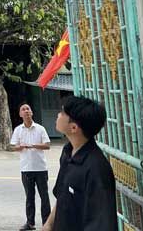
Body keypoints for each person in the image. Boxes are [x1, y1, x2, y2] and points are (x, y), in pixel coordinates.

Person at [43, 96, 117, 231]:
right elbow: (62, 195)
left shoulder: (96, 169)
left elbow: (101, 223)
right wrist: (48, 224)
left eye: (63, 113)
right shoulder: (67, 152)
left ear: (73, 127)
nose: (58, 115)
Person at [10, 103, 51, 231]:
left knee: (44, 197)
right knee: (29, 197)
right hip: (26, 168)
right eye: (23, 109)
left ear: (32, 112)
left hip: (40, 168)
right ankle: (30, 223)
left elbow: (47, 145)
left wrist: (33, 145)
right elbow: (13, 146)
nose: (26, 111)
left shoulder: (40, 129)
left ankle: (47, 223)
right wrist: (20, 147)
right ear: (20, 114)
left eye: (28, 109)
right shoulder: (18, 130)